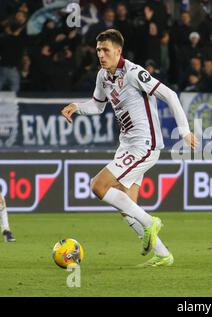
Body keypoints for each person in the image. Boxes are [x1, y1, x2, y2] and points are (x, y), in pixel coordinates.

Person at [61, 29, 197, 267]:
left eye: (106, 50)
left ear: (118, 51)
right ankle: (163, 254)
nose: (101, 55)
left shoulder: (134, 73)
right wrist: (76, 106)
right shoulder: (103, 76)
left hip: (146, 144)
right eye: (98, 51)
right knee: (126, 205)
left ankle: (150, 222)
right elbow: (97, 105)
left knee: (98, 185)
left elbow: (171, 95)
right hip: (127, 145)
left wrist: (184, 131)